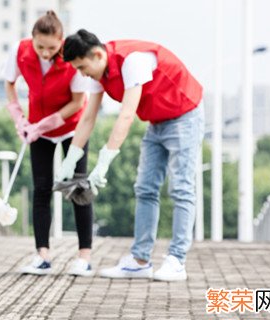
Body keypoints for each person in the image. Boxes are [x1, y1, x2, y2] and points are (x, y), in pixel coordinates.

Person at [58, 29, 204, 282]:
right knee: (145, 188)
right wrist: (71, 157)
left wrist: (104, 161)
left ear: (97, 54)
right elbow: (88, 117)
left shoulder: (132, 61)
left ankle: (177, 260)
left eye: (82, 66)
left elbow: (126, 114)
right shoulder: (97, 71)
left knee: (181, 188)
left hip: (184, 116)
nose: (82, 73)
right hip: (156, 121)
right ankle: (139, 260)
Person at [2, 11, 102, 277]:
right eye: (40, 47)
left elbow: (77, 103)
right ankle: (42, 256)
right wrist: (19, 119)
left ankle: (84, 258)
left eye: (52, 48)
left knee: (78, 186)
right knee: (42, 189)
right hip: (37, 130)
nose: (45, 53)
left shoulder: (72, 57)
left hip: (72, 128)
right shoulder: (19, 51)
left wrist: (45, 123)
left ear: (61, 41)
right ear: (32, 39)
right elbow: (9, 85)